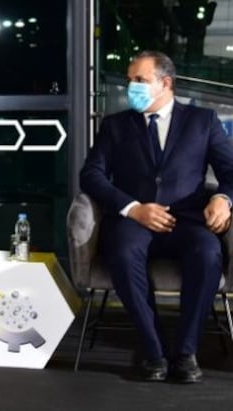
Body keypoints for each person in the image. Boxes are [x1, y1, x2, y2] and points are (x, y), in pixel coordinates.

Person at [79, 50, 233, 383]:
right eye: (129, 79)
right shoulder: (115, 126)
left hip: (188, 222)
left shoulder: (202, 121)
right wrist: (133, 208)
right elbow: (91, 175)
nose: (130, 86)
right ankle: (153, 350)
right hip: (134, 222)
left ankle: (186, 351)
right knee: (120, 252)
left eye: (140, 80)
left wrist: (223, 198)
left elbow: (230, 170)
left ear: (165, 83)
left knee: (208, 254)